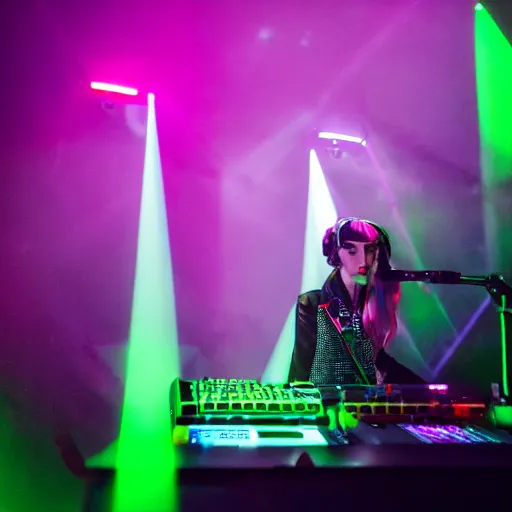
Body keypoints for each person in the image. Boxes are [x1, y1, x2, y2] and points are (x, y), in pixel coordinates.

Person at [288, 217, 424, 386]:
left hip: (367, 405)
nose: (363, 261)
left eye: (370, 250)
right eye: (351, 251)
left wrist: (425, 390)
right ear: (335, 252)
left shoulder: (373, 302)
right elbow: (300, 372)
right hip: (327, 405)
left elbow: (377, 361)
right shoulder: (312, 304)